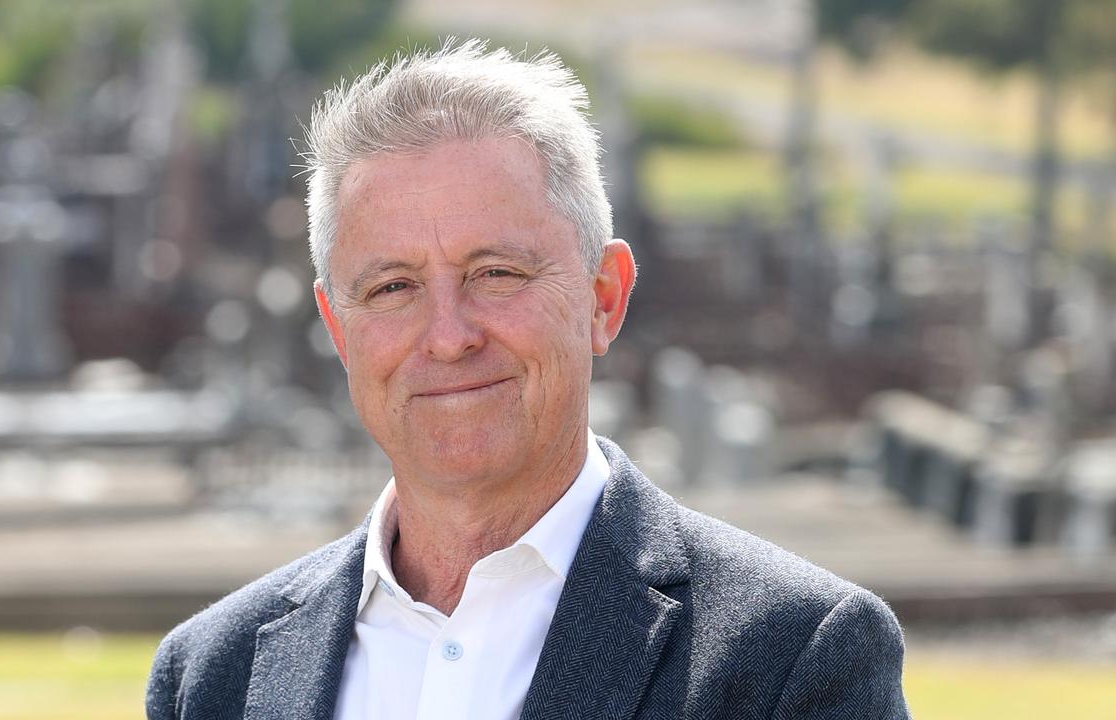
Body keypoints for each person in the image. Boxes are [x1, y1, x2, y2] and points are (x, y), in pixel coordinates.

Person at [146, 39, 910, 720]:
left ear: (603, 297)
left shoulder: (792, 657)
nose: (448, 337)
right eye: (392, 288)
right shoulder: (212, 676)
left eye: (496, 273)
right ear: (339, 328)